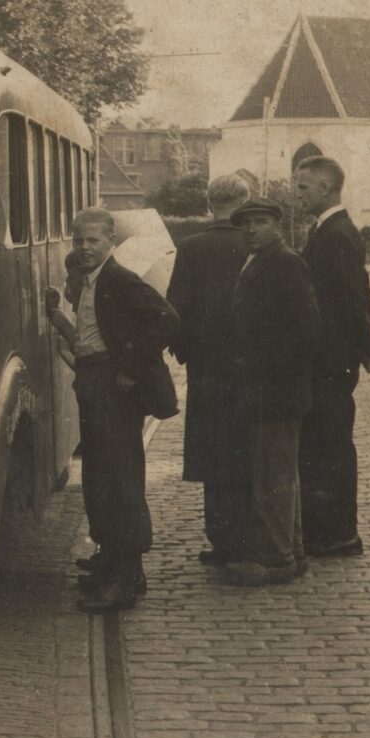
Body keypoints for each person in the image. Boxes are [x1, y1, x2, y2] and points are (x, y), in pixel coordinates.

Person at [46, 208, 180, 613]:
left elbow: (166, 319)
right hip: (94, 381)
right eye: (79, 240)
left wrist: (130, 368)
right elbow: (91, 336)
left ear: (111, 242)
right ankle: (117, 568)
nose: (85, 247)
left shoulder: (118, 279)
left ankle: (123, 580)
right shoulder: (92, 281)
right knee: (101, 478)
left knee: (119, 481)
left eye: (93, 240)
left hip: (112, 388)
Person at [226, 197, 320, 586]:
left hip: (276, 390)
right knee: (277, 472)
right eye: (246, 223)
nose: (252, 229)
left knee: (273, 477)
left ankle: (277, 559)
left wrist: (266, 371)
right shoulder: (259, 260)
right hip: (264, 389)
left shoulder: (285, 263)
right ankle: (291, 551)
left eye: (261, 221)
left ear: (277, 225)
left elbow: (306, 331)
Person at [294, 155, 370, 558]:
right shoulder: (331, 230)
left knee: (329, 447)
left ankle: (338, 534)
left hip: (330, 362)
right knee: (323, 445)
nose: (298, 194)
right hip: (330, 360)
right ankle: (327, 530)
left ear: (325, 188)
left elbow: (353, 299)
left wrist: (365, 348)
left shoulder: (335, 235)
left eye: (303, 186)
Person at [166, 173, 252, 566]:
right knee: (247, 451)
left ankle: (221, 539)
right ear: (244, 204)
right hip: (249, 367)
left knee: (214, 454)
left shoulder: (190, 247)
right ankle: (249, 536)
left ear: (208, 204)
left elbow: (176, 308)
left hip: (206, 369)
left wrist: (187, 352)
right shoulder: (253, 243)